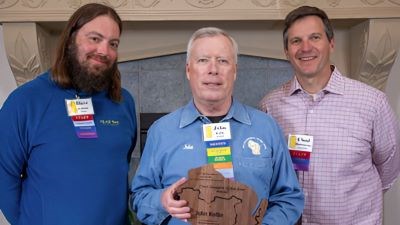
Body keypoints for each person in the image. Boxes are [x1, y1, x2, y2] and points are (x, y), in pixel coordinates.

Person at [131, 27, 304, 225]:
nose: (213, 69)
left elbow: (289, 197)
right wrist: (161, 201)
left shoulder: (267, 128)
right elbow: (138, 198)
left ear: (235, 71)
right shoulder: (160, 131)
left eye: (223, 60)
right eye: (203, 60)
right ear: (189, 70)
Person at [259, 5, 400, 225]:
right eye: (296, 41)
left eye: (315, 37)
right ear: (287, 51)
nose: (306, 48)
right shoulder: (271, 105)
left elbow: (389, 167)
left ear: (331, 43)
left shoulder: (372, 103)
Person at [0, 3, 137, 225]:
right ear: (70, 40)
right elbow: (3, 178)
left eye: (113, 43)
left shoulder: (123, 102)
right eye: (95, 38)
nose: (104, 51)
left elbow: (121, 165)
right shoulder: (26, 101)